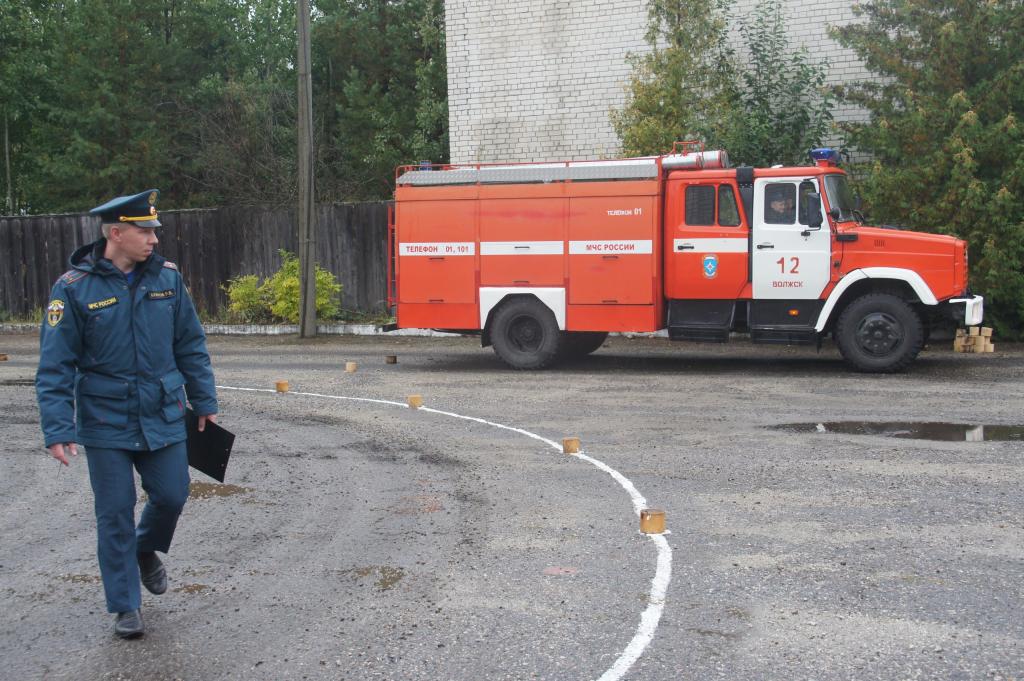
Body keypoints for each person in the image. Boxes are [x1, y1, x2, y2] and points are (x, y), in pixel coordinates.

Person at [35, 189, 218, 639]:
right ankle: (125, 605)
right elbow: (55, 365)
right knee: (114, 512)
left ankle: (143, 549)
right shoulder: (73, 288)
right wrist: (57, 427)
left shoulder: (167, 279)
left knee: (172, 495)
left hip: (162, 411)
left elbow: (190, 344)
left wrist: (205, 401)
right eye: (145, 231)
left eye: (155, 231)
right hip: (105, 420)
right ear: (116, 234)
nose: (154, 239)